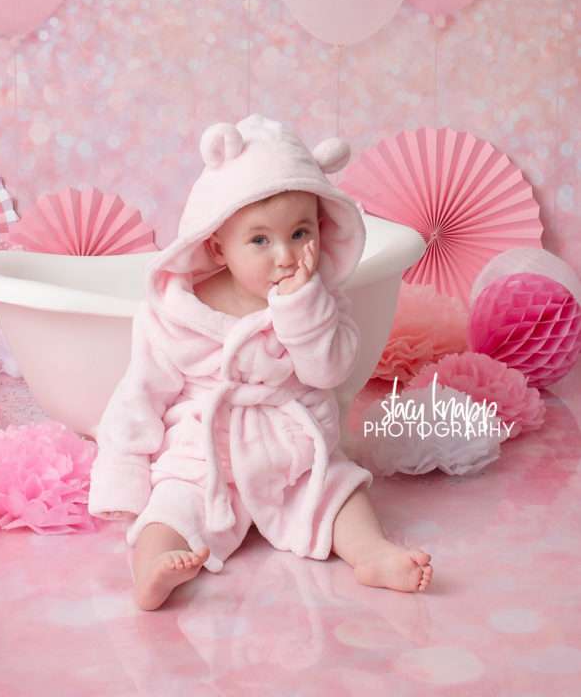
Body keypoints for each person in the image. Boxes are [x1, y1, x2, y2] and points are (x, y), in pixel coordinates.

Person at [88, 114, 433, 611]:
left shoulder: (319, 299)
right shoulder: (178, 311)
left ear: (322, 227)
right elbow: (140, 392)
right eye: (260, 240)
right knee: (170, 508)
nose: (286, 256)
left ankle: (373, 553)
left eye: (300, 232)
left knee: (340, 492)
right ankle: (152, 567)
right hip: (208, 452)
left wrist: (302, 310)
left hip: (291, 450)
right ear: (217, 246)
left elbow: (329, 372)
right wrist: (123, 470)